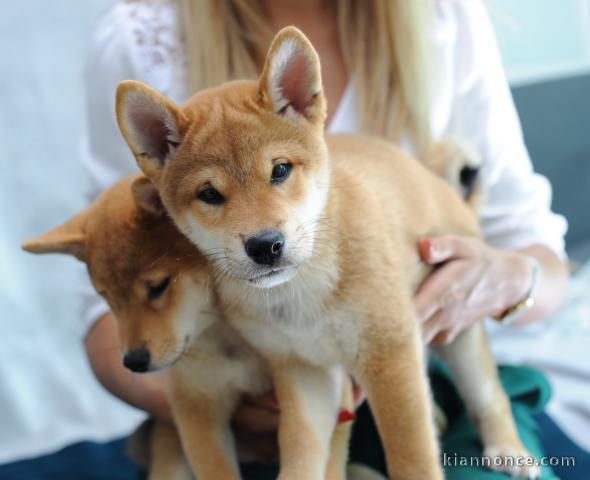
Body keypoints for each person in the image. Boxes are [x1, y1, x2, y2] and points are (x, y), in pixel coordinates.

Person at [81, 0, 571, 478]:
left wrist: (514, 278)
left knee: (469, 382)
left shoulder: (443, 15)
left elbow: (529, 238)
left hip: (427, 344)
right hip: (254, 402)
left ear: (301, 100)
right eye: (212, 194)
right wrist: (202, 400)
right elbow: (110, 289)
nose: (260, 230)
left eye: (279, 172)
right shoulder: (140, 34)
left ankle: (494, 420)